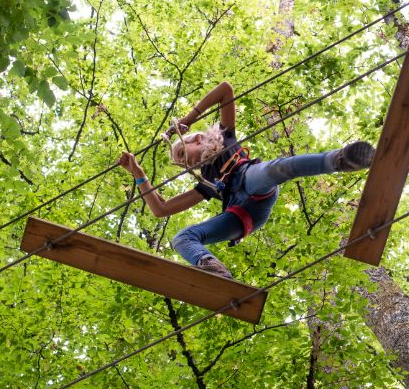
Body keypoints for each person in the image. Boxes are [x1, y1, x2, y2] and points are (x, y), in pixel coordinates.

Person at [117, 81, 374, 279]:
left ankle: (339, 160)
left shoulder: (225, 136)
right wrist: (139, 174)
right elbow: (160, 209)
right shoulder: (205, 183)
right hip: (241, 213)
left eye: (183, 153)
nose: (185, 163)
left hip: (251, 181)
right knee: (182, 238)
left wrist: (187, 120)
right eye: (181, 162)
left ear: (196, 139)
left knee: (275, 170)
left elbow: (225, 90)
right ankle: (211, 266)